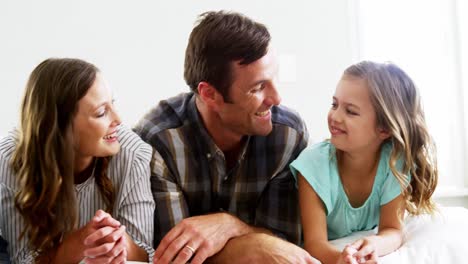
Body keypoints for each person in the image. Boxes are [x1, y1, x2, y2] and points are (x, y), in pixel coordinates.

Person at [134, 10, 319, 264]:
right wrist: (257, 244)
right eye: (258, 87)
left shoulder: (287, 135)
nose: (277, 99)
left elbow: (285, 240)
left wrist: (230, 225)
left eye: (275, 77)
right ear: (210, 94)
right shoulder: (158, 141)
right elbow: (176, 255)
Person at [0, 58, 155, 263]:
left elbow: (146, 255)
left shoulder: (133, 154)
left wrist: (116, 240)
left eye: (113, 104)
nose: (117, 119)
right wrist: (84, 241)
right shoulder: (11, 159)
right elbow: (23, 259)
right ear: (61, 128)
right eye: (101, 113)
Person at [291, 61, 438, 264]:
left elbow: (392, 229)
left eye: (350, 111)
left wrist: (373, 244)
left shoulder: (395, 163)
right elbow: (315, 244)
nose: (335, 116)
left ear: (384, 129)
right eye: (334, 104)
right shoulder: (313, 165)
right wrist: (342, 259)